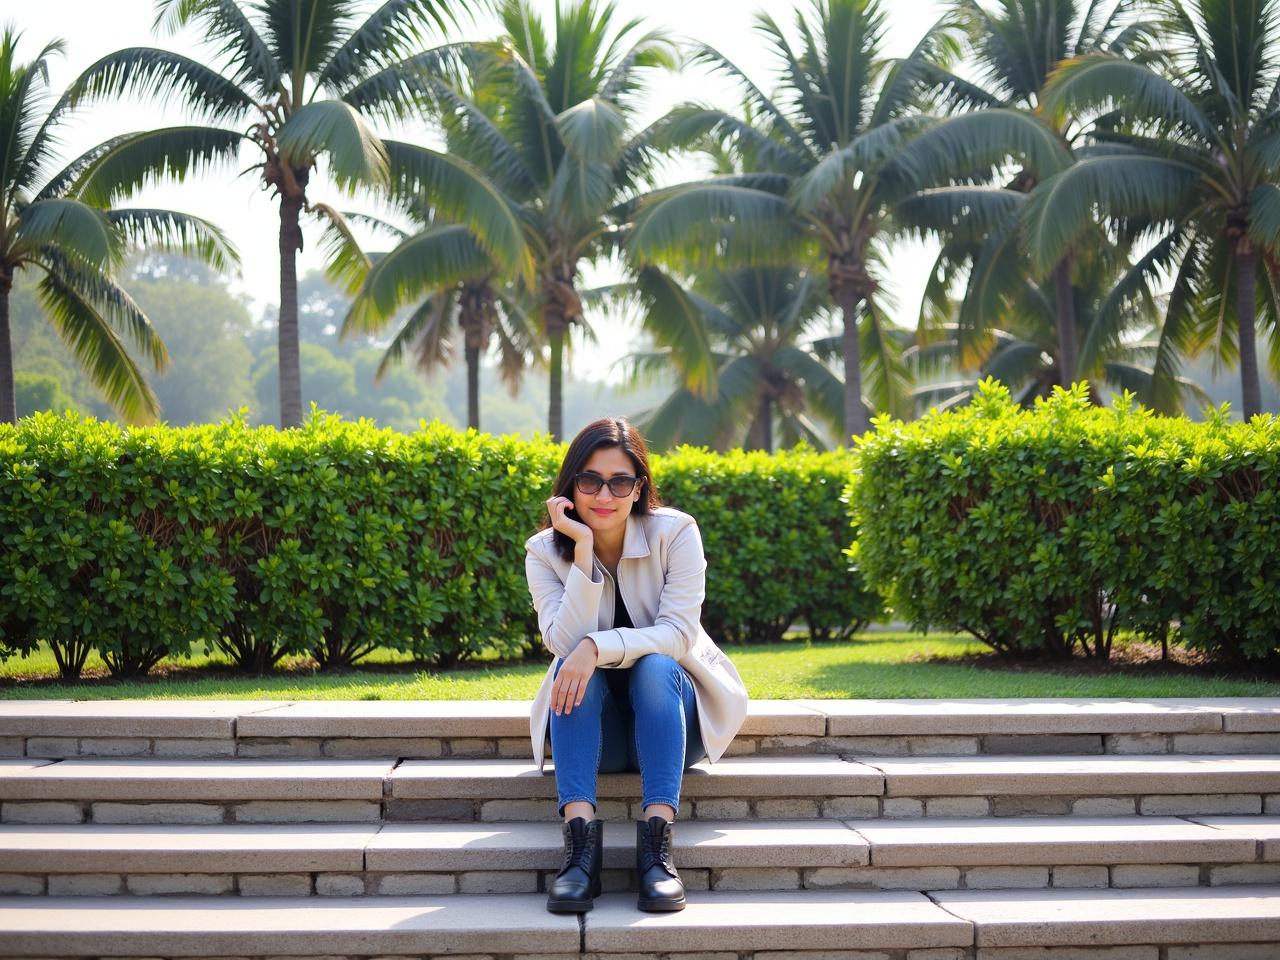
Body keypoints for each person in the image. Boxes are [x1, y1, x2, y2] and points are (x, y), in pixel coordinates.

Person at [524, 416, 749, 915]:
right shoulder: (544, 551)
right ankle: (580, 853)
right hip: (594, 737)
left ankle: (657, 851)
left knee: (653, 666)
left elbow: (679, 634)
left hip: (673, 726)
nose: (604, 495)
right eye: (589, 481)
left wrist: (595, 648)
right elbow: (562, 641)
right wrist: (581, 551)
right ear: (570, 487)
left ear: (638, 488)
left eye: (620, 481)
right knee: (572, 670)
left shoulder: (676, 532)